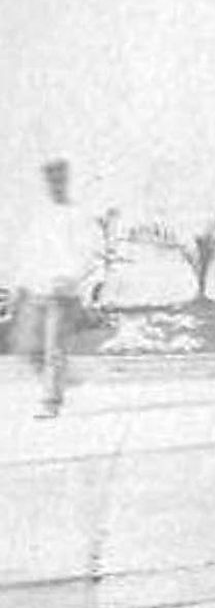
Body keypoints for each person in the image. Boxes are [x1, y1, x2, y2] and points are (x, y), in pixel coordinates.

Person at [11, 158, 99, 419]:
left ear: (65, 182)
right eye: (50, 181)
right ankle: (62, 378)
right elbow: (29, 253)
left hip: (62, 294)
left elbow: (88, 254)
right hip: (36, 291)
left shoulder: (77, 214)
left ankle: (51, 400)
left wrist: (71, 278)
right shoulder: (39, 216)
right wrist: (19, 286)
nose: (54, 185)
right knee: (26, 346)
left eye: (59, 180)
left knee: (54, 348)